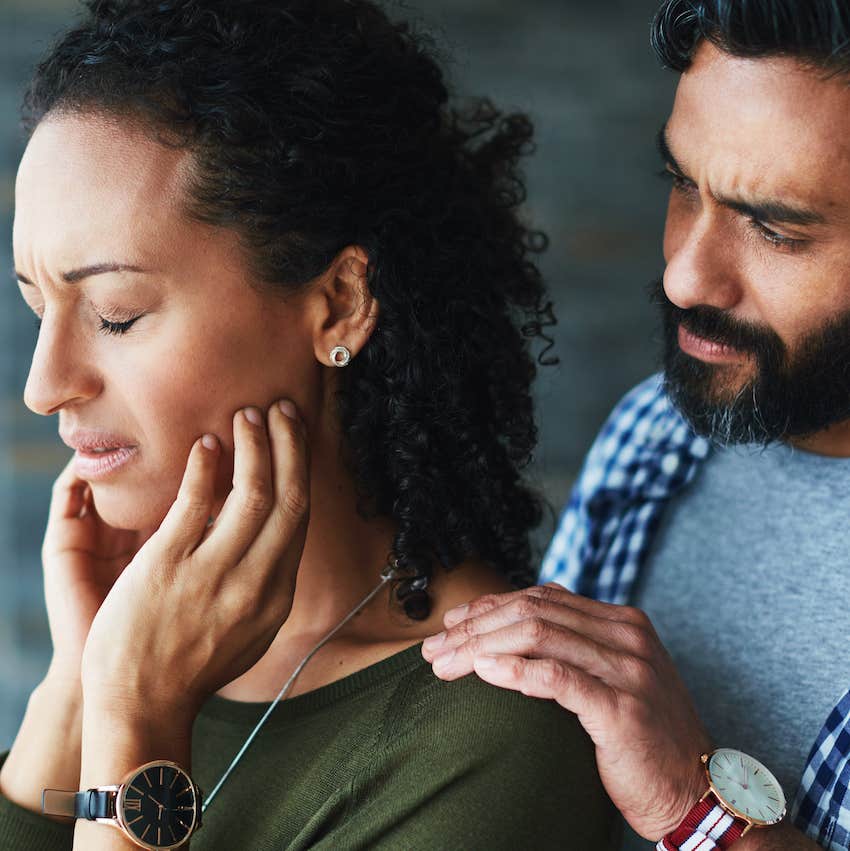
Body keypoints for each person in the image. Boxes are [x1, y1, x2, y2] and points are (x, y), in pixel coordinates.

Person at [0, 1, 618, 849]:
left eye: (115, 313)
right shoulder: (136, 649)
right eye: (37, 305)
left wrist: (137, 715)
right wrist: (74, 687)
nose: (44, 385)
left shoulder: (485, 737)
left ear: (339, 305)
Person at [422, 1, 850, 850]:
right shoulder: (655, 435)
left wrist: (695, 814)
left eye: (773, 228)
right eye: (682, 187)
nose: (689, 274)